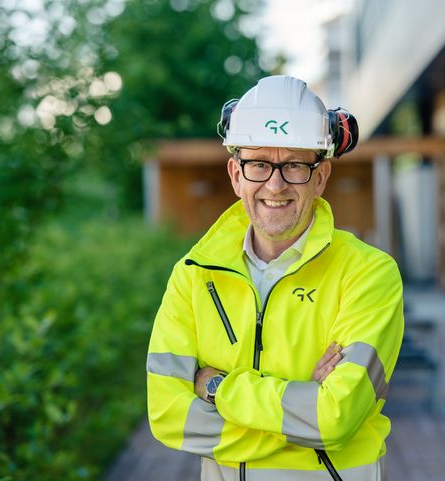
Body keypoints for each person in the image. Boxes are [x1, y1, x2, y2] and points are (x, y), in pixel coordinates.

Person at [146, 75, 404, 481]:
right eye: (259, 164)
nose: (275, 184)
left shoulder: (369, 273)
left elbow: (334, 419)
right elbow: (168, 416)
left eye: (295, 165)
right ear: (235, 174)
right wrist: (301, 420)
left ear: (321, 177)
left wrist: (216, 388)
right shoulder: (192, 276)